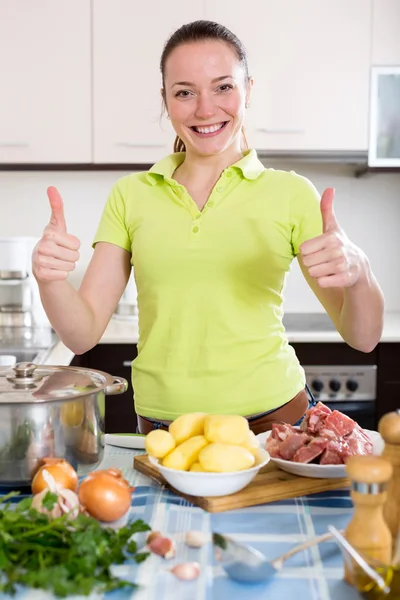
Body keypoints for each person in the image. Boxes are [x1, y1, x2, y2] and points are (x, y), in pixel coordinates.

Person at [32, 20, 384, 435]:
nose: (204, 109)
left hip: (273, 425)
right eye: (184, 92)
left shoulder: (291, 193)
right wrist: (50, 281)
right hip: (166, 430)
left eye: (223, 87)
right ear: (165, 99)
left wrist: (359, 272)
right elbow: (81, 334)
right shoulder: (132, 194)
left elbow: (363, 337)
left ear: (248, 90)